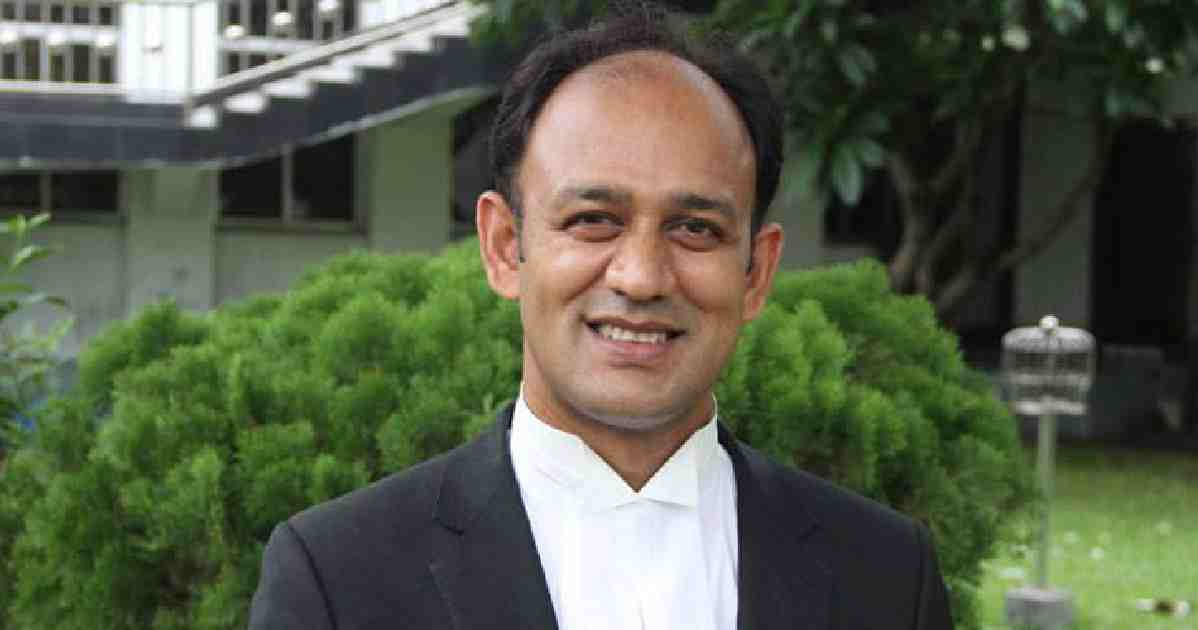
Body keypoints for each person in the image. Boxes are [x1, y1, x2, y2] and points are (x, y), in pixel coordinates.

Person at [248, 7, 954, 630]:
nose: (641, 276)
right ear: (504, 247)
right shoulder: (339, 580)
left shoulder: (888, 577)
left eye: (695, 229)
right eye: (593, 220)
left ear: (756, 272)